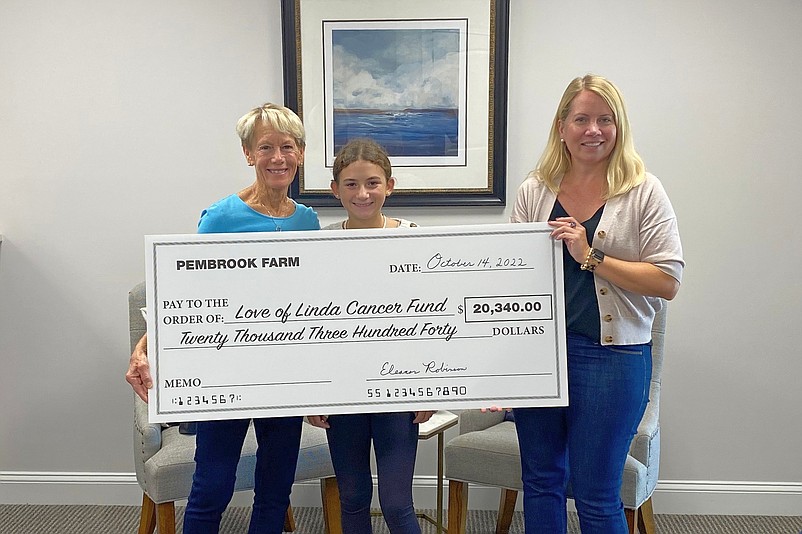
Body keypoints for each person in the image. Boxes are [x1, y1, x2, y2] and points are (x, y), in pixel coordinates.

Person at [125, 103, 320, 534]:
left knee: (276, 487)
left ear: (300, 154)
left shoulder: (308, 220)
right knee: (212, 485)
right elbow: (184, 294)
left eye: (287, 146)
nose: (278, 157)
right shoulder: (220, 217)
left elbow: (315, 297)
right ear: (249, 154)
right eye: (265, 147)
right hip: (225, 372)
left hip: (284, 374)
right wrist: (144, 346)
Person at [509, 75, 684, 533]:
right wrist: (498, 366)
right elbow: (507, 279)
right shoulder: (534, 189)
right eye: (582, 118)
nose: (593, 130)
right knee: (541, 482)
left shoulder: (644, 190)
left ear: (618, 126)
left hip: (612, 358)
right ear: (562, 126)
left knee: (596, 492)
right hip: (540, 357)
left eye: (604, 120)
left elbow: (667, 281)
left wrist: (591, 256)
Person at [307, 138, 435, 534]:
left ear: (390, 186)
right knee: (354, 497)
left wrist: (429, 386)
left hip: (399, 391)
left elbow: (433, 320)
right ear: (335, 190)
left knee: (397, 503)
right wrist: (313, 392)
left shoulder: (415, 239)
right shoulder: (319, 244)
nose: (362, 194)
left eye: (372, 183)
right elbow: (309, 328)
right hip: (342, 391)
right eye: (350, 184)